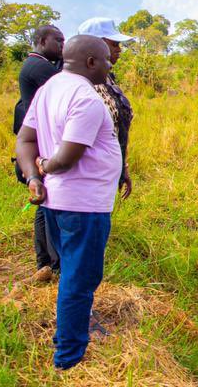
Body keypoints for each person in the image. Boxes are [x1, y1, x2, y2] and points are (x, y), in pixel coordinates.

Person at [15, 35, 122, 370]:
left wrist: (32, 176)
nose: (110, 64)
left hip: (57, 203)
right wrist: (44, 168)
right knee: (80, 278)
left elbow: (26, 139)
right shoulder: (85, 98)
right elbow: (65, 158)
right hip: (83, 205)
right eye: (106, 58)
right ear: (91, 62)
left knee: (72, 274)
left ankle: (68, 336)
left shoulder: (50, 89)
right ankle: (69, 357)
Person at [12, 24, 65, 283]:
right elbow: (65, 85)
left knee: (44, 205)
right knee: (47, 206)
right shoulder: (40, 67)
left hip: (39, 141)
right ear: (42, 41)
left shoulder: (36, 66)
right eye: (58, 41)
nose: (62, 46)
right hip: (41, 146)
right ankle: (51, 262)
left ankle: (46, 261)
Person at [78, 17, 135, 199]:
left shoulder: (107, 79)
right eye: (114, 44)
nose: (119, 50)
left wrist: (121, 167)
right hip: (88, 179)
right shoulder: (80, 84)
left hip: (106, 173)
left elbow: (115, 129)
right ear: (96, 45)